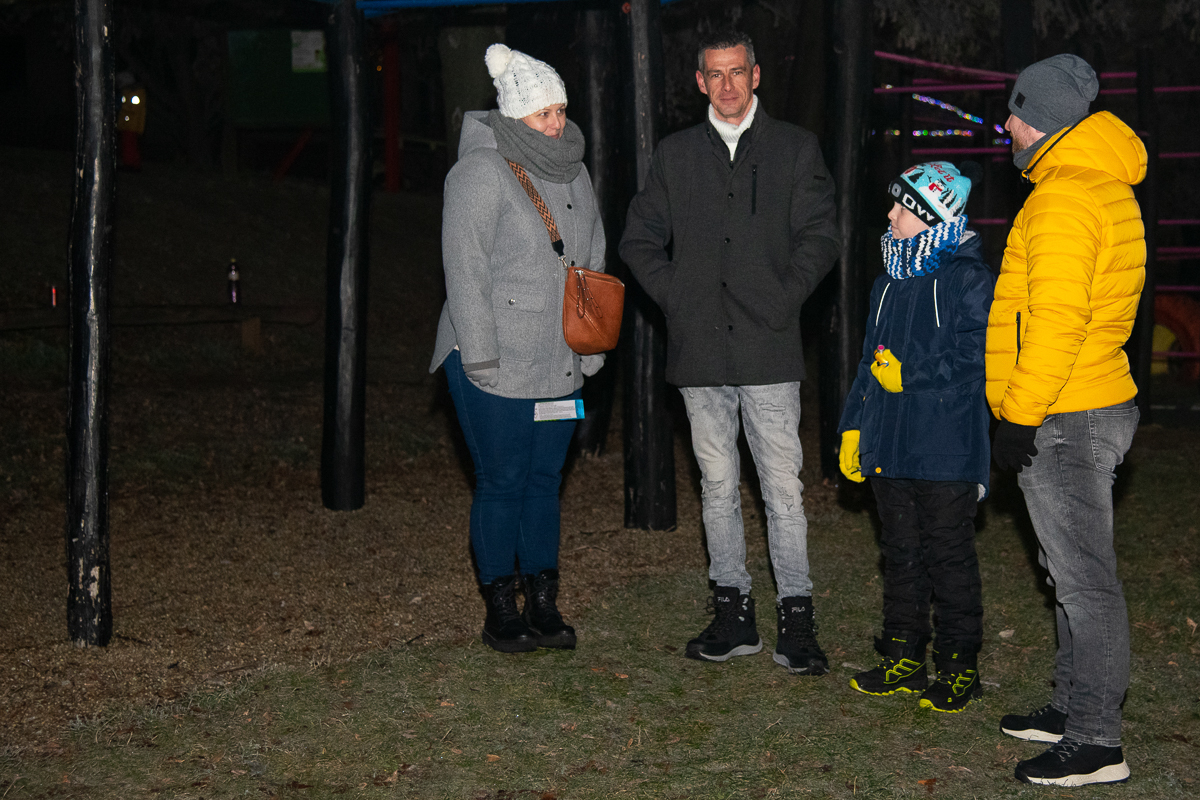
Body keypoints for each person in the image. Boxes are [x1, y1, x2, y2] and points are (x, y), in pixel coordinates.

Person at [619, 30, 839, 673]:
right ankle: (733, 615)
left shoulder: (795, 148)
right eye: (714, 74)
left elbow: (822, 236)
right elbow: (638, 239)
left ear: (756, 75)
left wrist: (784, 297)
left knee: (783, 490)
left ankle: (796, 619)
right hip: (701, 352)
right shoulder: (676, 153)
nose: (727, 85)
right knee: (716, 488)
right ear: (699, 82)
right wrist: (677, 296)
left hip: (769, 348)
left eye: (737, 71)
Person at [986, 54, 1145, 786]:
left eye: (1017, 112)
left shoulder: (1062, 198)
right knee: (1068, 570)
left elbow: (1053, 321)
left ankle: (1095, 740)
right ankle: (1070, 706)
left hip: (1065, 411)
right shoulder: (1097, 183)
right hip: (1090, 398)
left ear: (1045, 120)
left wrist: (1019, 415)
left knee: (1084, 582)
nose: (1007, 125)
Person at [429, 44, 608, 654]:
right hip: (494, 358)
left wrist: (590, 345)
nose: (556, 124)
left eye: (560, 110)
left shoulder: (576, 171)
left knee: (544, 479)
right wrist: (480, 357)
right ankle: (501, 606)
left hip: (559, 359)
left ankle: (544, 600)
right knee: (503, 479)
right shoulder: (479, 172)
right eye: (542, 114)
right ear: (512, 114)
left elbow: (592, 259)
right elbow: (464, 270)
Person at [837, 161, 994, 713]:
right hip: (891, 444)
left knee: (949, 557)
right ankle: (902, 657)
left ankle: (958, 667)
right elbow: (868, 362)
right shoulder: (888, 281)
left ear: (932, 217)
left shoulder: (969, 279)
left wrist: (913, 376)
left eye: (902, 207)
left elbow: (980, 355)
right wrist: (853, 426)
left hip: (946, 448)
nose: (890, 215)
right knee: (900, 554)